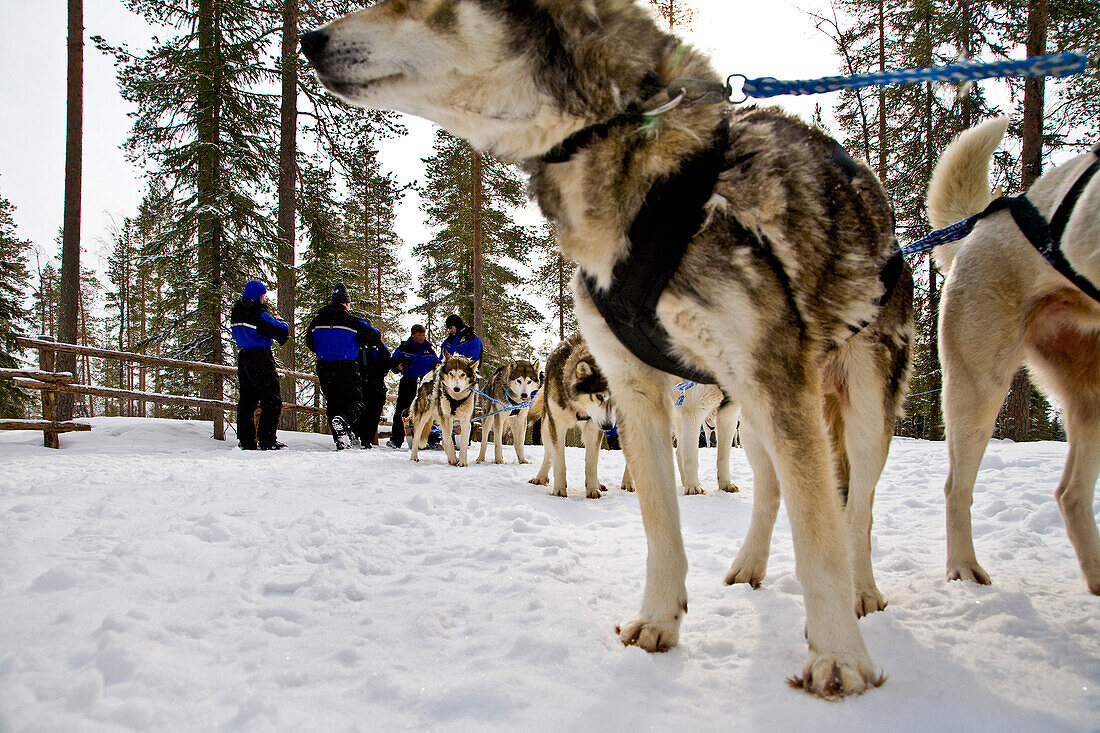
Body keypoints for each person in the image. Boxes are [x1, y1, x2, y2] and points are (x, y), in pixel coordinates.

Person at [305, 283, 386, 450]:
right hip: (346, 365)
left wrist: (325, 350)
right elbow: (375, 335)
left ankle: (341, 440)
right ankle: (344, 420)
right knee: (356, 401)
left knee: (333, 403)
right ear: (347, 303)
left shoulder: (317, 320)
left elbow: (309, 342)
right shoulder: (352, 321)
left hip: (324, 365)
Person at [230, 280, 289, 450]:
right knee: (271, 399)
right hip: (260, 357)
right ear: (259, 296)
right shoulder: (258, 314)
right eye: (264, 296)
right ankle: (267, 439)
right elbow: (280, 331)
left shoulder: (237, 312)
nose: (264, 299)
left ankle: (246, 440)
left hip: (244, 357)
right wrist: (282, 321)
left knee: (247, 401)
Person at [386, 323, 441, 449]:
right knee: (402, 410)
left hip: (425, 383)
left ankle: (433, 440)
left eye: (423, 335)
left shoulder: (429, 349)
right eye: (419, 335)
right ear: (413, 335)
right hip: (408, 381)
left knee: (429, 409)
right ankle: (396, 440)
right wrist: (398, 366)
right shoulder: (404, 348)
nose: (422, 338)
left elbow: (436, 362)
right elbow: (393, 362)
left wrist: (437, 367)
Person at [356, 320, 390, 448]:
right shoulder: (357, 342)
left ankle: (367, 438)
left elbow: (387, 359)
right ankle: (361, 436)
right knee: (362, 409)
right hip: (362, 380)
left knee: (374, 410)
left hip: (374, 381)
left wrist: (380, 373)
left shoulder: (378, 343)